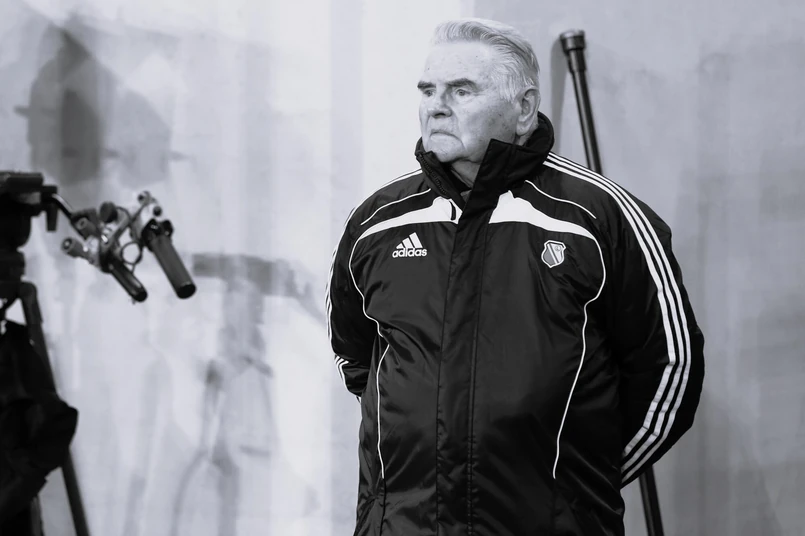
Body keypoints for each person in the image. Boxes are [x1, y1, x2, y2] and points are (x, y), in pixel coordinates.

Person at [326, 18, 705, 536]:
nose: (436, 106)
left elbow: (669, 372)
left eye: (462, 91)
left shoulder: (600, 219)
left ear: (523, 109)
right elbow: (356, 356)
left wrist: (580, 487)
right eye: (428, 90)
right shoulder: (376, 222)